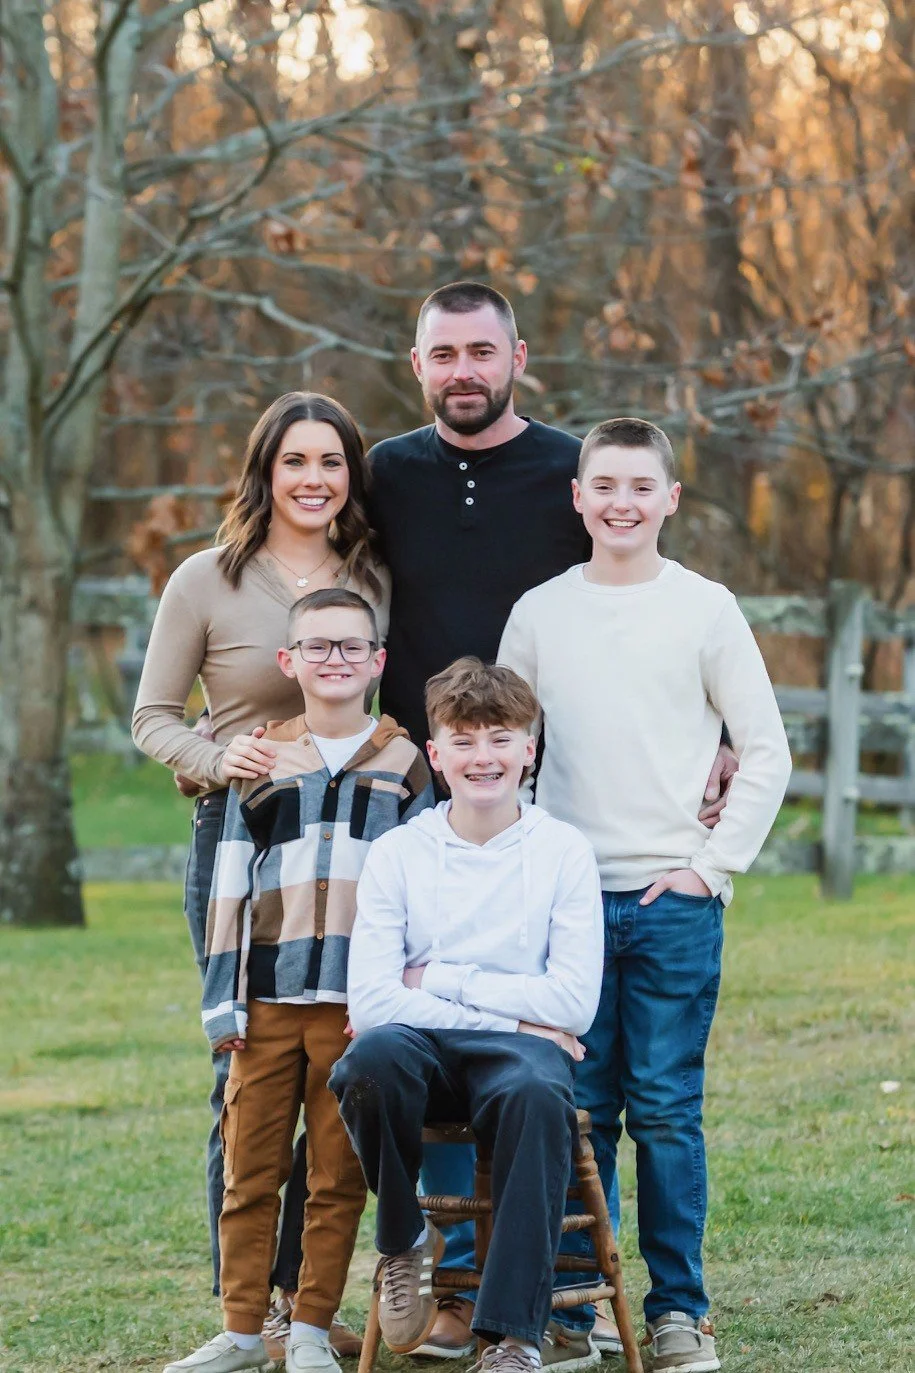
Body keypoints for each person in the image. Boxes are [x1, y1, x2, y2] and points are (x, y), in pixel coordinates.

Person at [366, 281, 736, 1358]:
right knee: (436, 1043)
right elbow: (322, 579)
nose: (464, 370)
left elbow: (645, 620)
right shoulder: (385, 474)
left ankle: (593, 1299)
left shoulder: (571, 472)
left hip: (551, 829)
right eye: (445, 353)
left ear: (518, 354)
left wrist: (702, 746)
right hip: (428, 799)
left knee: (574, 1076)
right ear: (419, 360)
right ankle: (453, 1278)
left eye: (483, 350)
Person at [498, 418, 793, 1373]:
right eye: (603, 485)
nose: (620, 501)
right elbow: (509, 750)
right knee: (578, 1111)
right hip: (567, 905)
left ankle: (678, 1314)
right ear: (576, 498)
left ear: (668, 498)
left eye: (639, 485)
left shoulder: (705, 609)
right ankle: (579, 1312)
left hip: (672, 900)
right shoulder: (539, 611)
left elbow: (765, 748)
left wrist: (709, 866)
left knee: (665, 1108)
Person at [132, 393, 387, 1350]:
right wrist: (213, 758)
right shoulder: (206, 578)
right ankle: (251, 1308)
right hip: (239, 847)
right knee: (240, 1063)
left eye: (331, 461)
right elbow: (153, 713)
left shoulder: (372, 573)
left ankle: (310, 1300)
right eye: (295, 461)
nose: (314, 478)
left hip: (354, 847)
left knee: (334, 1061)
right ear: (265, 472)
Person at [163, 587, 434, 1373]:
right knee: (250, 1169)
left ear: (378, 662)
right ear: (289, 661)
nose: (335, 660)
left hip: (354, 1008)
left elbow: (421, 894)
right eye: (317, 646)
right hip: (268, 1001)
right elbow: (228, 891)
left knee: (334, 1173)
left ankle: (312, 1326)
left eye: (352, 646)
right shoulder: (260, 757)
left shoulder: (405, 761)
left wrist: (389, 1000)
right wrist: (223, 1002)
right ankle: (243, 1330)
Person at [330, 657, 603, 1373]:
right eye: (464, 739)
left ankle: (512, 1335)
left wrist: (442, 977)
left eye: (500, 737)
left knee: (537, 1091)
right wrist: (518, 1018)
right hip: (429, 1046)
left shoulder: (564, 852)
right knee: (366, 1062)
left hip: (520, 1065)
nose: (484, 756)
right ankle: (402, 1240)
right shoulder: (398, 854)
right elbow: (374, 1002)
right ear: (436, 753)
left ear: (529, 748)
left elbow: (574, 1002)